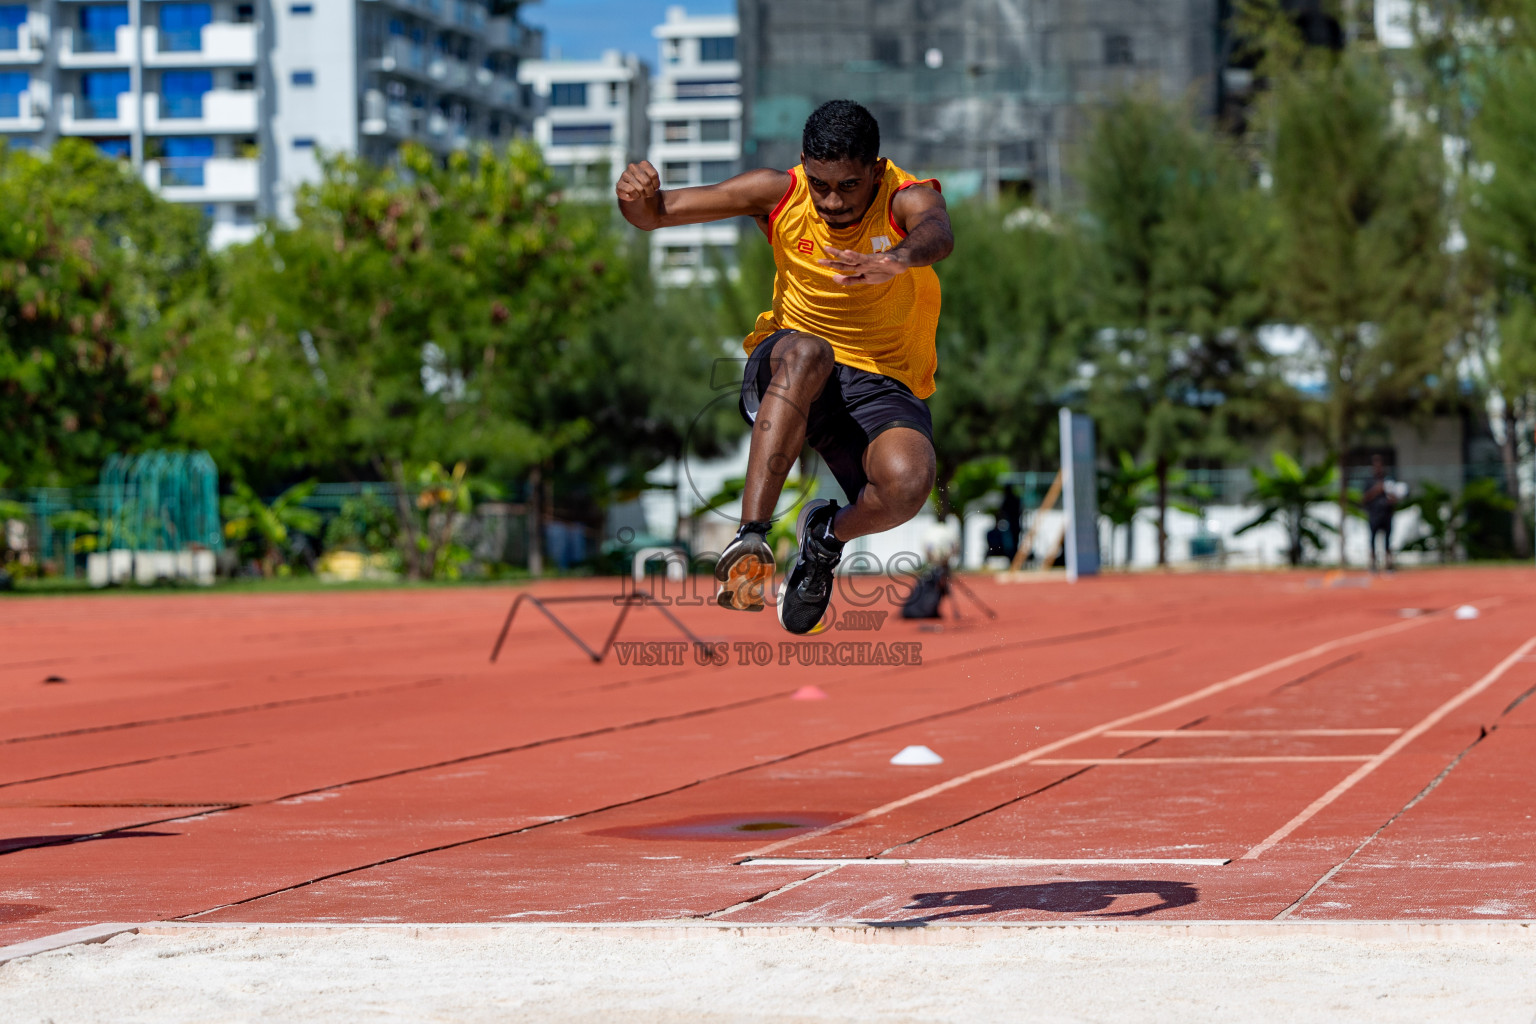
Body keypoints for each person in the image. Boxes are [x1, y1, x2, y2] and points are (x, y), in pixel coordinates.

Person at [616, 100, 953, 634]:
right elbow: (655, 215)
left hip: (882, 380)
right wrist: (634, 196)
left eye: (848, 185)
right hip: (791, 363)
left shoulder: (907, 196)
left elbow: (937, 231)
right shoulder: (779, 193)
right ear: (803, 164)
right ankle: (750, 539)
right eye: (821, 184)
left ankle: (823, 540)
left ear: (877, 169)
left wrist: (897, 258)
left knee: (909, 485)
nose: (832, 201)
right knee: (810, 351)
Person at [1362, 455, 1400, 572]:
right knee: (1372, 539)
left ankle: (1388, 564)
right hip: (1374, 514)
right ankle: (1373, 563)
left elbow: (1396, 496)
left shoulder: (1389, 480)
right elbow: (1364, 498)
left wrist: (1390, 496)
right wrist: (1376, 490)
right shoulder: (1369, 481)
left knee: (1388, 540)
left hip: (1386, 513)